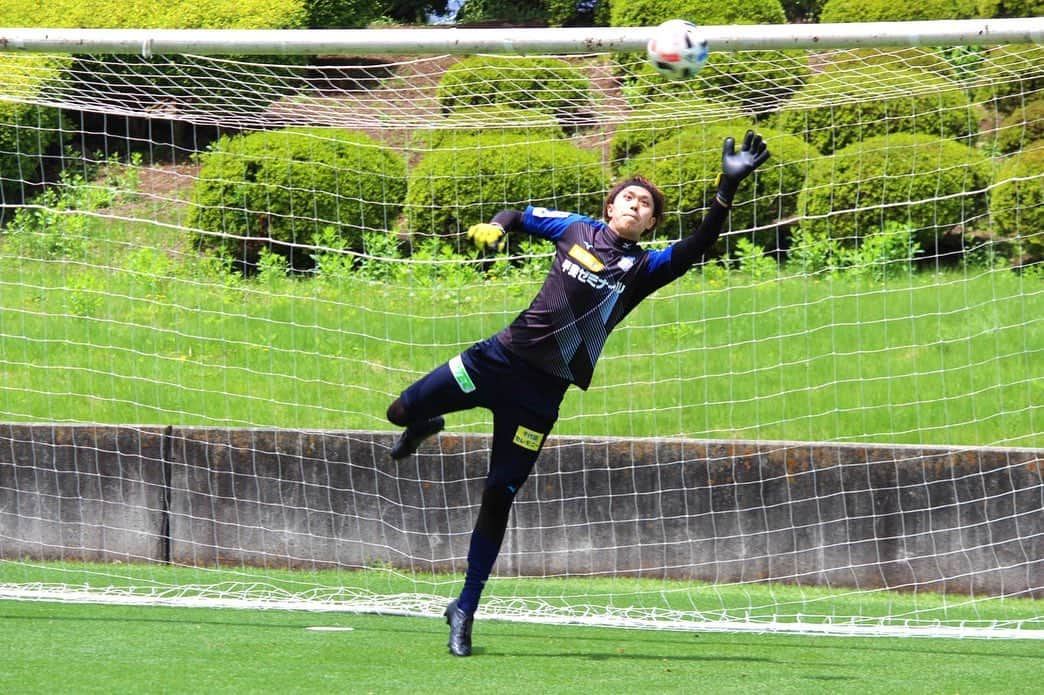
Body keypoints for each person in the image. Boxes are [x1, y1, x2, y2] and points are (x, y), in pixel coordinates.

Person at [385, 130, 770, 657]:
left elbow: (698, 246)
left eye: (646, 206)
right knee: (399, 410)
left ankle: (465, 608)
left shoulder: (644, 268)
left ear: (652, 223)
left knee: (499, 497)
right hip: (494, 362)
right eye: (628, 198)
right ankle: (426, 423)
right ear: (609, 206)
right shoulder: (574, 229)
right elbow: (518, 214)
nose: (636, 206)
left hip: (539, 400)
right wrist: (495, 228)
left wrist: (726, 188)